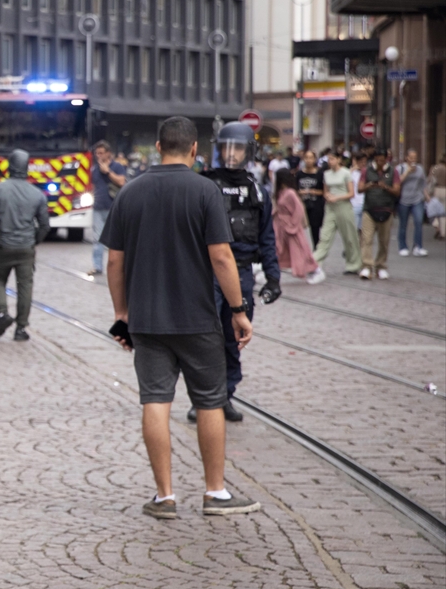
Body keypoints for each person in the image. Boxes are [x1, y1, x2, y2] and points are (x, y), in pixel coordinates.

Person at [100, 116, 261, 520]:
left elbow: (114, 261)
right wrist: (238, 310)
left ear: (158, 147)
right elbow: (222, 256)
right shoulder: (205, 190)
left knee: (155, 401)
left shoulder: (130, 192)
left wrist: (122, 314)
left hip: (148, 320)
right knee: (210, 401)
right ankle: (215, 493)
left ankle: (164, 497)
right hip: (198, 318)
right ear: (194, 150)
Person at [189, 121, 283, 424]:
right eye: (226, 148)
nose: (231, 155)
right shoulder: (204, 185)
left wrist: (273, 277)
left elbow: (267, 238)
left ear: (248, 152)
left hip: (241, 273)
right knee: (203, 340)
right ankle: (202, 400)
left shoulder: (257, 191)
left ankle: (225, 395)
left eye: (237, 149)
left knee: (233, 339)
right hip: (206, 273)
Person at [0, 149, 50, 341]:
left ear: (9, 166)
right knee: (25, 286)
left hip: (3, 243)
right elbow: (45, 225)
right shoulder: (37, 194)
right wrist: (34, 240)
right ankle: (21, 328)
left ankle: (2, 312)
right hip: (26, 246)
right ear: (27, 167)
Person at [312, 150, 363, 274]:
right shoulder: (327, 174)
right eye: (329, 159)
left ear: (339, 160)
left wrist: (337, 197)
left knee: (350, 237)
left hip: (344, 206)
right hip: (330, 208)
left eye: (333, 159)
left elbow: (351, 193)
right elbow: (325, 190)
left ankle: (353, 265)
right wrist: (328, 196)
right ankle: (314, 263)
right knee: (325, 236)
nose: (330, 161)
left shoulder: (346, 173)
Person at [273, 169, 325, 283]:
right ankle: (271, 272)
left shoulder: (290, 193)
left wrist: (293, 225)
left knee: (300, 249)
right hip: (282, 227)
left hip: (290, 227)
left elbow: (299, 209)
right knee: (279, 249)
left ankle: (316, 270)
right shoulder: (282, 192)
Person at [359, 147, 401, 280]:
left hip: (387, 210)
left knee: (384, 241)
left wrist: (386, 187)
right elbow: (359, 189)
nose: (379, 163)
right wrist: (369, 185)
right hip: (369, 210)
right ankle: (366, 266)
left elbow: (397, 191)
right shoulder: (366, 171)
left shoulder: (393, 172)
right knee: (367, 239)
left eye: (382, 160)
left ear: (386, 159)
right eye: (377, 160)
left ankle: (381, 266)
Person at [89, 140, 128, 276]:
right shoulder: (94, 169)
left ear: (108, 154)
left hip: (114, 208)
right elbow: (92, 186)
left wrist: (108, 172)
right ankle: (97, 266)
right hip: (98, 208)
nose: (98, 156)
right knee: (97, 238)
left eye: (101, 153)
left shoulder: (117, 166)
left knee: (117, 239)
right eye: (96, 153)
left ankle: (120, 266)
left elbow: (122, 182)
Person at [396, 149, 428, 257]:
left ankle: (418, 246)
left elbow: (423, 183)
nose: (413, 160)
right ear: (407, 158)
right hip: (403, 200)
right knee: (403, 224)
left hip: (417, 199)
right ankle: (403, 246)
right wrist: (408, 171)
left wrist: (426, 196)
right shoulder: (400, 168)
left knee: (418, 221)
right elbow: (397, 182)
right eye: (411, 157)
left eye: (415, 158)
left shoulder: (420, 169)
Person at [296, 150, 325, 252]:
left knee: (315, 230)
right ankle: (300, 252)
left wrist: (312, 191)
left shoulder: (319, 174)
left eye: (311, 158)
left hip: (315, 205)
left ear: (314, 159)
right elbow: (295, 190)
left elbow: (324, 191)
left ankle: (316, 252)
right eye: (306, 158)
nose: (308, 160)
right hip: (302, 205)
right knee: (298, 229)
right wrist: (300, 192)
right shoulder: (299, 174)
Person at [350, 152, 368, 231]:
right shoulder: (352, 173)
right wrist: (353, 168)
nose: (363, 164)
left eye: (365, 162)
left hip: (366, 205)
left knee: (364, 231)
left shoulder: (368, 173)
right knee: (354, 230)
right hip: (354, 204)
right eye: (361, 162)